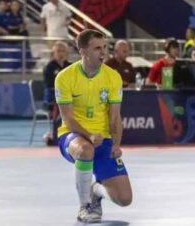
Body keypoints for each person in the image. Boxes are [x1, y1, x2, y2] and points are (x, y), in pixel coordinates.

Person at [55, 29, 132, 222]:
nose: (103, 52)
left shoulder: (113, 77)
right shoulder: (64, 77)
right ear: (83, 51)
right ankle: (85, 206)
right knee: (85, 150)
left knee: (124, 199)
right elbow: (68, 119)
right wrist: (88, 135)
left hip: (103, 139)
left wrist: (116, 144)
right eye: (97, 48)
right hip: (72, 136)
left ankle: (95, 190)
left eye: (104, 47)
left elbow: (115, 117)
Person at [42, 41, 71, 145]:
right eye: (58, 51)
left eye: (63, 51)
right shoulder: (49, 67)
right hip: (52, 98)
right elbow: (49, 85)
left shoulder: (70, 66)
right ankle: (55, 134)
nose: (61, 53)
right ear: (53, 52)